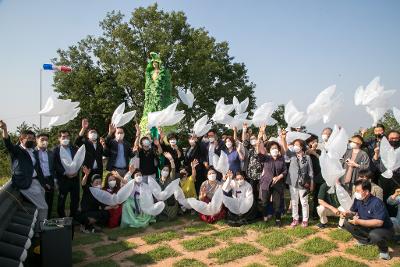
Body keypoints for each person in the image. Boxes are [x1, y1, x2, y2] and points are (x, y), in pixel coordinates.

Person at [0, 121, 48, 230]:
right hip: (25, 183)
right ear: (21, 139)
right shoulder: (17, 150)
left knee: (39, 207)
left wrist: (43, 183)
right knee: (43, 207)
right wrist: (4, 130)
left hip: (35, 182)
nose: (31, 140)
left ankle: (38, 228)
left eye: (32, 138)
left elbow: (37, 168)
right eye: (28, 138)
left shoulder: (33, 151)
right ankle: (42, 232)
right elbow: (8, 144)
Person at [342, 179, 394, 260]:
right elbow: (353, 211)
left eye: (358, 191)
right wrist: (346, 213)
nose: (356, 193)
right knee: (347, 222)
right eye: (356, 190)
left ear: (366, 192)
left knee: (375, 234)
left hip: (384, 229)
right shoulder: (358, 199)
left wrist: (358, 221)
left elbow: (379, 223)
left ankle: (384, 252)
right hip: (368, 227)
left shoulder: (377, 203)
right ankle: (364, 241)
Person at [281, 130, 314, 228]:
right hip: (292, 182)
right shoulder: (292, 155)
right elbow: (285, 148)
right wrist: (283, 137)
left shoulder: (307, 158)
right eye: (294, 144)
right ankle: (295, 219)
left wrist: (311, 183)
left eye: (297, 145)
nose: (295, 146)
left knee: (304, 202)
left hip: (303, 183)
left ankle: (305, 220)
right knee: (294, 201)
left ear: (302, 147)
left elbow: (311, 171)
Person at [258, 139, 287, 227]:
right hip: (266, 183)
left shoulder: (281, 159)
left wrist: (279, 177)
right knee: (264, 202)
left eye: (276, 148)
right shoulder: (266, 158)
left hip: (278, 184)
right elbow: (260, 152)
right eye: (272, 148)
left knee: (277, 203)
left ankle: (278, 219)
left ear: (278, 150)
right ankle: (265, 216)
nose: (274, 149)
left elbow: (285, 171)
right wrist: (260, 141)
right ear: (269, 150)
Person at [372, 130, 400, 217]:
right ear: (388, 139)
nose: (394, 140)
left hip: (398, 179)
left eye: (396, 138)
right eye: (392, 138)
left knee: (396, 199)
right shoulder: (383, 149)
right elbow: (376, 164)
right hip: (384, 179)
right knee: (384, 199)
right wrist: (376, 154)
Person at [53, 130, 80, 218]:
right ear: (59, 139)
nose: (65, 138)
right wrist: (64, 173)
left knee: (75, 199)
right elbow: (55, 164)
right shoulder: (55, 150)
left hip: (75, 178)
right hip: (63, 179)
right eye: (63, 137)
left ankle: (74, 217)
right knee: (62, 199)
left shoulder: (74, 148)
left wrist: (77, 171)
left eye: (67, 136)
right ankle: (62, 217)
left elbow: (78, 160)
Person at [35, 132, 55, 218]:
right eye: (42, 139)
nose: (44, 141)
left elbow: (53, 167)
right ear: (37, 140)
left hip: (49, 179)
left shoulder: (51, 153)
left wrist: (55, 180)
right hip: (37, 180)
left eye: (46, 140)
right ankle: (38, 222)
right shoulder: (33, 152)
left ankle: (47, 221)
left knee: (49, 201)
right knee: (38, 202)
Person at [306, 134, 324, 220]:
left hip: (319, 177)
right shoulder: (306, 151)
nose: (315, 143)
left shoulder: (319, 151)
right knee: (305, 196)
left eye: (316, 141)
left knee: (317, 196)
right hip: (308, 177)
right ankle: (303, 214)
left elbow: (323, 161)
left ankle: (316, 213)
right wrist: (310, 151)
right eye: (312, 141)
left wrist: (314, 153)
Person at [243, 124, 263, 199]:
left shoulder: (261, 147)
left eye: (254, 138)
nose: (252, 140)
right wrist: (244, 130)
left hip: (260, 173)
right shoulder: (250, 148)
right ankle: (253, 205)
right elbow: (245, 142)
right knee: (252, 191)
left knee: (260, 191)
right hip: (251, 174)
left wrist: (261, 133)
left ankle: (261, 205)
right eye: (251, 139)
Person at [157, 153, 179, 221]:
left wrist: (171, 160)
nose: (165, 171)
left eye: (167, 170)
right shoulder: (158, 181)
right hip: (161, 201)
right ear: (161, 171)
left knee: (171, 216)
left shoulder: (171, 178)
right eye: (164, 170)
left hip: (170, 201)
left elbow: (173, 169)